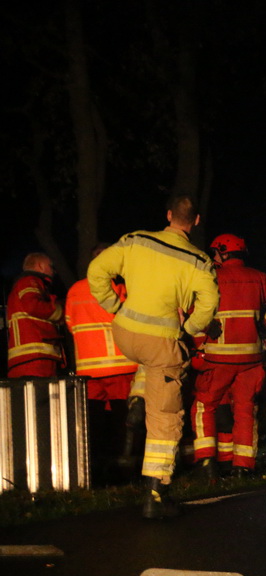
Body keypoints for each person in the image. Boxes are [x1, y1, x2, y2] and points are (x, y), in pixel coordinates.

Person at [88, 195, 219, 518]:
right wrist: (189, 328)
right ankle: (156, 495)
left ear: (169, 215)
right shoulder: (199, 260)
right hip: (160, 342)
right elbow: (208, 303)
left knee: (153, 365)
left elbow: (96, 270)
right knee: (166, 418)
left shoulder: (136, 240)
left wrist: (114, 306)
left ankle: (138, 397)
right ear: (196, 221)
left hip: (125, 333)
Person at [190, 233, 266, 476]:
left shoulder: (211, 278)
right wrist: (264, 324)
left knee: (204, 406)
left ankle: (206, 462)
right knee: (245, 411)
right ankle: (243, 467)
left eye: (216, 253)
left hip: (218, 359)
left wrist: (202, 337)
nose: (214, 257)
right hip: (252, 359)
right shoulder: (259, 278)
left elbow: (194, 315)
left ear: (223, 252)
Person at [65, 244, 145, 485]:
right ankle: (126, 469)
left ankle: (97, 470)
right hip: (120, 366)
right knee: (125, 421)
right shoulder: (119, 288)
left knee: (94, 422)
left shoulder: (74, 290)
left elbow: (70, 324)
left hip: (88, 370)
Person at [6, 252, 64, 378]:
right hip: (35, 359)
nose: (54, 271)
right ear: (40, 266)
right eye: (51, 266)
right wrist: (60, 311)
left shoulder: (25, 284)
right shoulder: (30, 281)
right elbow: (33, 306)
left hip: (33, 359)